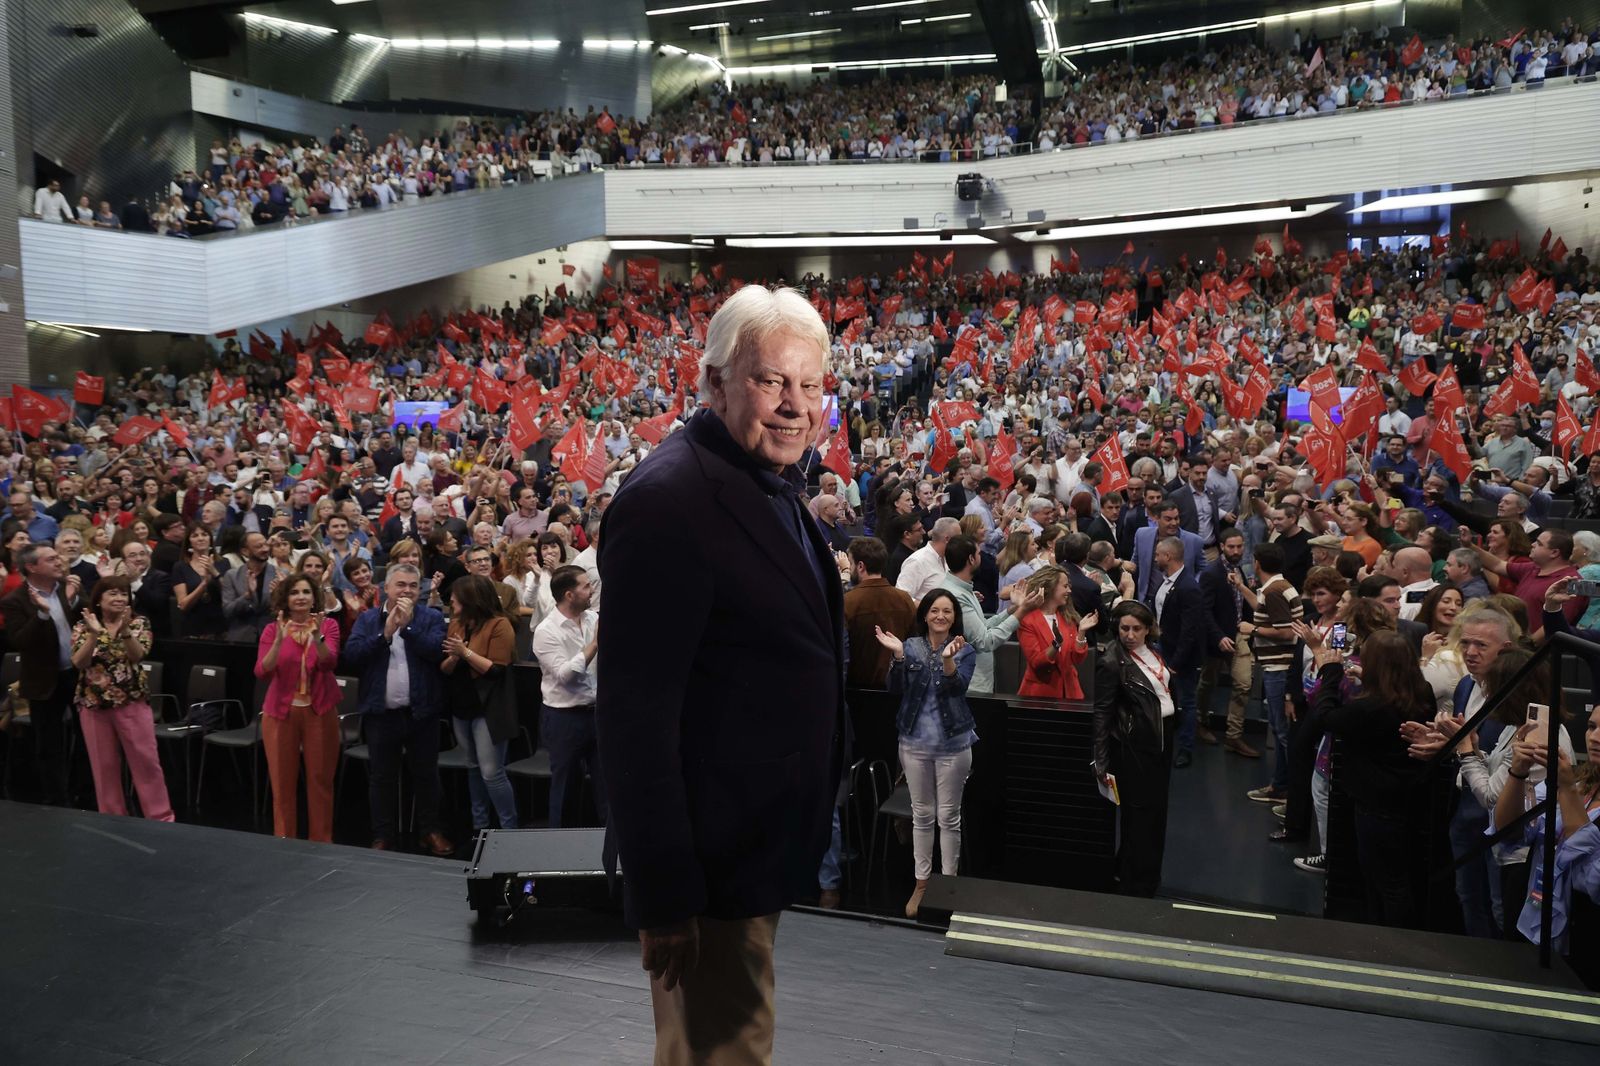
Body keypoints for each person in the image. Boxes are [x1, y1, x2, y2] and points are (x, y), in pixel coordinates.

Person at [597, 285, 844, 1065]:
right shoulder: (668, 503)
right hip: (707, 868)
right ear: (713, 383)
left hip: (753, 845)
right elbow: (635, 719)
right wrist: (665, 893)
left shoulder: (766, 482)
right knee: (719, 1053)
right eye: (771, 381)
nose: (793, 406)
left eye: (809, 385)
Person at [1314, 631, 1435, 928]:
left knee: (1385, 881)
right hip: (1407, 798)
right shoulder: (1423, 694)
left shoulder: (1369, 709)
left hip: (1375, 804)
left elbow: (1327, 717)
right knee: (1396, 876)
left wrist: (1329, 672)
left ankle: (1391, 944)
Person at [1452, 648, 1576, 940]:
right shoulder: (1517, 726)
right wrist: (1473, 749)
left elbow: (1491, 797)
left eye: (1492, 686)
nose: (1487, 692)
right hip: (1507, 849)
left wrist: (1467, 753)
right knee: (1497, 916)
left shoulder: (1537, 736)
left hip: (1522, 856)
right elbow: (1499, 778)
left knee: (1508, 925)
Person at [875, 588, 977, 918]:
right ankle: (921, 884)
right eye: (935, 610)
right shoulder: (911, 646)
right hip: (914, 744)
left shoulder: (965, 650)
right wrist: (899, 658)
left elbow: (956, 689)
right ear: (925, 615)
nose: (940, 617)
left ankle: (949, 887)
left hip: (953, 744)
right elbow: (894, 689)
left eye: (947, 611)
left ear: (954, 617)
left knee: (949, 817)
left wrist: (948, 659)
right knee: (921, 815)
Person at [343, 563, 453, 856]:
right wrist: (386, 634)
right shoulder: (368, 620)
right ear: (386, 589)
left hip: (422, 713)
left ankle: (430, 831)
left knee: (427, 776)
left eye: (413, 586)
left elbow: (435, 650)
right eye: (401, 585)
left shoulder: (430, 617)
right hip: (381, 714)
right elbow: (352, 656)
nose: (407, 591)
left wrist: (408, 628)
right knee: (381, 778)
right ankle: (383, 835)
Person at [1493, 703, 1600, 986]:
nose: (1595, 737)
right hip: (1537, 921)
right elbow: (1508, 833)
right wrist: (1517, 773)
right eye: (1591, 727)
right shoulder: (1579, 782)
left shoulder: (1569, 783)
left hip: (1587, 941)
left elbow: (1592, 880)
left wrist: (1564, 787)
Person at [68, 574, 171, 821]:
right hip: (93, 704)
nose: (119, 598)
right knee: (104, 768)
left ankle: (161, 818)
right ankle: (113, 819)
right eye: (112, 593)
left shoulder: (138, 623)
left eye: (123, 593)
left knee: (146, 764)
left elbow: (138, 655)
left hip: (131, 702)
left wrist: (124, 631)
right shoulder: (84, 625)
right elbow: (78, 662)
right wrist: (94, 635)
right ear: (99, 599)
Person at [1093, 601, 1175, 897]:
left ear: (1147, 629)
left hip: (1160, 742)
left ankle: (1144, 875)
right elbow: (1102, 712)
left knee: (1155, 814)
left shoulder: (1153, 653)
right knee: (1139, 818)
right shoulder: (1112, 661)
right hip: (1134, 748)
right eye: (1124, 628)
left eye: (1136, 629)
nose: (1129, 634)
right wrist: (1100, 760)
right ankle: (1134, 882)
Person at [1, 544, 83, 805]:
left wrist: (74, 599)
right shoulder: (14, 600)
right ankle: (57, 801)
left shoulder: (65, 589)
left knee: (86, 738)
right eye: (51, 559)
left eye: (57, 557)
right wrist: (40, 613)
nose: (59, 561)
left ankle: (84, 792)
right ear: (32, 567)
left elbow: (87, 621)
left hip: (77, 675)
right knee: (49, 745)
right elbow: (19, 641)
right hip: (43, 681)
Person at [441, 574, 519, 833]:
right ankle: (480, 826)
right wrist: (453, 658)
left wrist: (465, 653)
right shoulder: (456, 624)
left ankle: (509, 829)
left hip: (489, 707)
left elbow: (496, 669)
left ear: (471, 599)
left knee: (491, 773)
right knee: (472, 766)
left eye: (456, 596)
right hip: (461, 705)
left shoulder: (500, 625)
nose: (451, 600)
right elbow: (446, 668)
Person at [532, 564, 602, 828]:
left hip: (596, 713)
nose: (591, 589)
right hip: (564, 719)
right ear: (569, 595)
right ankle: (558, 857)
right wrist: (594, 644)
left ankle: (611, 856)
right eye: (585, 585)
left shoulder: (593, 619)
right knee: (565, 790)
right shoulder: (546, 631)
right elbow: (564, 675)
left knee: (607, 788)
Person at [940, 533, 1041, 694]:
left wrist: (1013, 609)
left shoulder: (964, 590)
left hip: (976, 682)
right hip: (970, 686)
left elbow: (983, 627)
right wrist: (1022, 612)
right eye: (979, 553)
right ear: (971, 560)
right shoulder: (956, 596)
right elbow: (985, 641)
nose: (982, 557)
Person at [1243, 542, 1302, 803]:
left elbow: (1287, 631)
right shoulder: (1278, 587)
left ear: (1257, 562)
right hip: (1275, 667)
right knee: (1280, 732)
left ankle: (1292, 792)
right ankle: (1280, 785)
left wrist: (1252, 630)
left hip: (1279, 668)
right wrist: (1241, 587)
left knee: (1283, 733)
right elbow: (1263, 609)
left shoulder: (1275, 591)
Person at [1196, 528, 1261, 758]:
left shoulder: (1242, 570)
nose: (1236, 550)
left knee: (1243, 684)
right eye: (1231, 546)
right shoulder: (1211, 573)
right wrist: (1218, 636)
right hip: (1217, 638)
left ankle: (1233, 735)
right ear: (1222, 546)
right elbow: (1204, 610)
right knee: (1207, 682)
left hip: (1239, 635)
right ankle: (1201, 721)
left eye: (1239, 546)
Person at [1148, 535, 1204, 767]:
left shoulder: (1188, 587)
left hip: (1181, 657)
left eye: (1158, 554)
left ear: (1168, 556)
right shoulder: (1168, 582)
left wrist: (1176, 663)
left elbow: (1190, 631)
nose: (1155, 558)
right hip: (1164, 649)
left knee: (1187, 702)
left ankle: (1185, 749)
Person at [842, 536, 915, 690]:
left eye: (851, 562)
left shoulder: (848, 602)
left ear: (860, 566)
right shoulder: (904, 599)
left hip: (857, 691)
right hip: (897, 687)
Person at [1016, 565, 1095, 701]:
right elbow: (1037, 662)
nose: (1069, 590)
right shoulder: (1027, 621)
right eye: (1065, 586)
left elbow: (1077, 659)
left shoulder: (1067, 618)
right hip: (1041, 695)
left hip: (1071, 693)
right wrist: (1056, 644)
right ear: (1050, 587)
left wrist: (1081, 632)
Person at [221, 531, 281, 641]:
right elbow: (227, 611)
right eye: (259, 546)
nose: (265, 549)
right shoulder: (232, 576)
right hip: (241, 638)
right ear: (245, 551)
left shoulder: (281, 574)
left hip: (272, 638)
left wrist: (279, 594)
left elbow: (288, 611)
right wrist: (247, 596)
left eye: (265, 544)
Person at [171, 523, 228, 637]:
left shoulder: (223, 562)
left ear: (210, 539)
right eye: (195, 535)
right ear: (189, 541)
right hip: (192, 627)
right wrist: (204, 584)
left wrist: (214, 572)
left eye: (204, 534)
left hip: (219, 627)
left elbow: (229, 593)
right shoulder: (180, 567)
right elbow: (182, 605)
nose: (200, 538)